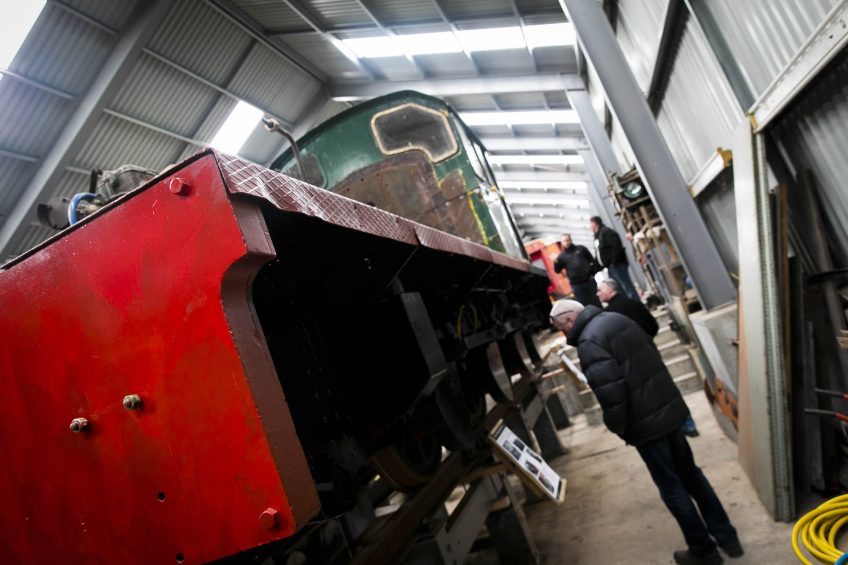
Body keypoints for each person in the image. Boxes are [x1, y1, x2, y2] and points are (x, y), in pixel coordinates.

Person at [549, 299, 742, 565]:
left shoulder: (589, 343)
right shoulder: (618, 319)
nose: (565, 334)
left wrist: (618, 427)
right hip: (669, 410)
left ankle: (704, 551)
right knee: (693, 476)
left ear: (570, 321)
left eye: (562, 329)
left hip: (646, 427)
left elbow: (612, 396)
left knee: (673, 488)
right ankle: (728, 539)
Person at [597, 279, 700, 437]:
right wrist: (645, 341)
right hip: (650, 352)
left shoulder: (608, 315)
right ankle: (688, 425)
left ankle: (668, 429)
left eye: (600, 290)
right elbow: (653, 326)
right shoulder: (634, 304)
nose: (598, 294)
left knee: (649, 397)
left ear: (610, 290)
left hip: (630, 363)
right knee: (668, 389)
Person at [590, 216, 639, 301]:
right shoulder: (598, 236)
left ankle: (637, 307)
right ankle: (629, 308)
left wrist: (613, 261)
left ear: (595, 223)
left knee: (626, 286)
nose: (589, 226)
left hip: (616, 264)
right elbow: (599, 254)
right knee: (619, 289)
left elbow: (617, 245)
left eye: (590, 224)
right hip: (610, 266)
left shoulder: (606, 231)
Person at [553, 234, 601, 307]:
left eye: (568, 240)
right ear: (562, 243)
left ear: (571, 240)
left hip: (589, 281)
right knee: (584, 306)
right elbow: (557, 270)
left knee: (596, 302)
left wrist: (593, 274)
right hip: (576, 285)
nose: (567, 242)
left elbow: (592, 261)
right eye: (564, 241)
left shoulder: (581, 249)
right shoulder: (561, 257)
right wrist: (555, 262)